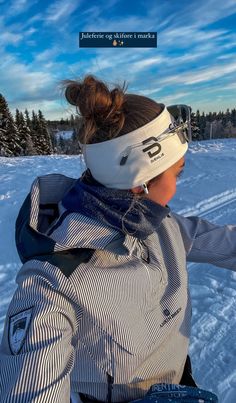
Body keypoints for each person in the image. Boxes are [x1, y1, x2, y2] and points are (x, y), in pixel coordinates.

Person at [0, 75, 234, 403]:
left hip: (183, 383)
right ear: (141, 184)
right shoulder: (52, 283)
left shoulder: (163, 226)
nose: (178, 186)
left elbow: (223, 242)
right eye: (176, 173)